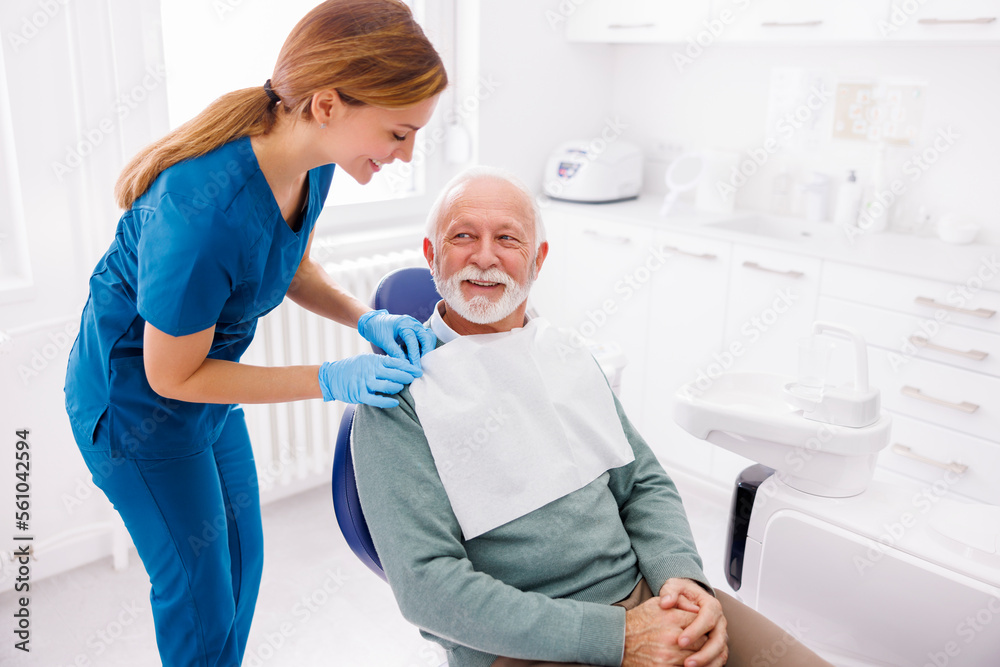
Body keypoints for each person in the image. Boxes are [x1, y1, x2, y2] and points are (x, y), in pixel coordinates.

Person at [62, 1, 446, 664]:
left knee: (243, 561)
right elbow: (169, 375)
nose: (407, 154)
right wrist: (330, 378)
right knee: (198, 597)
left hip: (202, 396)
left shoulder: (313, 161)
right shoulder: (199, 213)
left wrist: (365, 316)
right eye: (398, 133)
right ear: (328, 105)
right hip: (136, 412)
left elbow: (286, 260)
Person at [351, 167, 835, 667]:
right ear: (431, 255)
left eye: (508, 239)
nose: (485, 256)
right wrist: (620, 637)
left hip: (651, 597)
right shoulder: (397, 397)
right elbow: (428, 587)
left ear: (537, 261)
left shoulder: (565, 354)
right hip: (525, 643)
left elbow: (643, 482)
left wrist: (681, 581)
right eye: (463, 236)